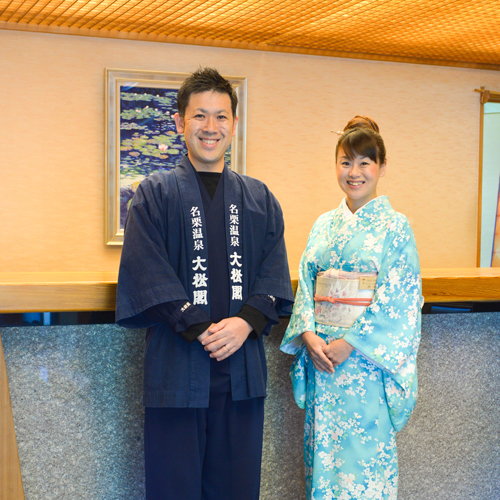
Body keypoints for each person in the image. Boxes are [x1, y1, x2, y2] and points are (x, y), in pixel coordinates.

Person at [116, 67, 294, 500]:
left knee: (237, 489)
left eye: (221, 116)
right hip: (178, 372)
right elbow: (146, 271)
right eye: (199, 116)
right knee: (172, 488)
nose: (210, 127)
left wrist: (244, 323)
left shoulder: (260, 198)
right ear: (180, 122)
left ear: (234, 124)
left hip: (242, 375)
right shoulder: (154, 194)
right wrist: (199, 326)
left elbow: (274, 272)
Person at [280, 117, 423, 499]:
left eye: (365, 162)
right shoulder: (323, 225)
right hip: (323, 361)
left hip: (365, 364)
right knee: (322, 462)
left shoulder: (395, 226)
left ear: (381, 167)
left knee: (364, 464)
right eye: (346, 162)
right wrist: (308, 333)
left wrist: (352, 343)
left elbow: (401, 297)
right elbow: (307, 282)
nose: (354, 172)